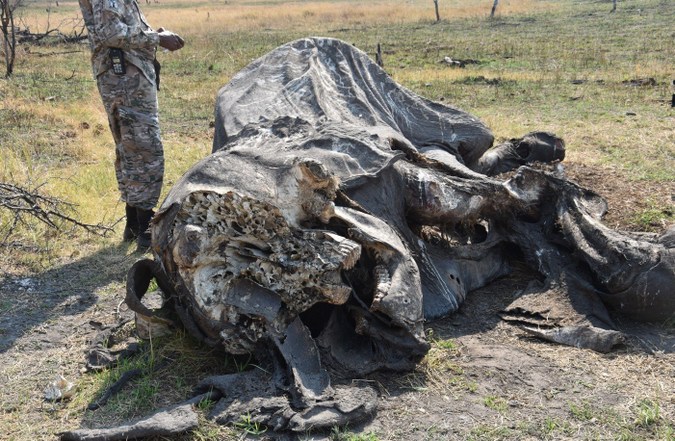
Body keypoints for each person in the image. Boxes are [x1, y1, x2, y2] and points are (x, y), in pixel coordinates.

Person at [78, 0, 184, 250]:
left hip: (125, 76)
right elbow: (112, 33)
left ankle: (135, 225)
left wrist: (152, 35)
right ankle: (146, 231)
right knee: (145, 149)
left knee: (131, 147)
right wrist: (157, 39)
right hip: (125, 78)